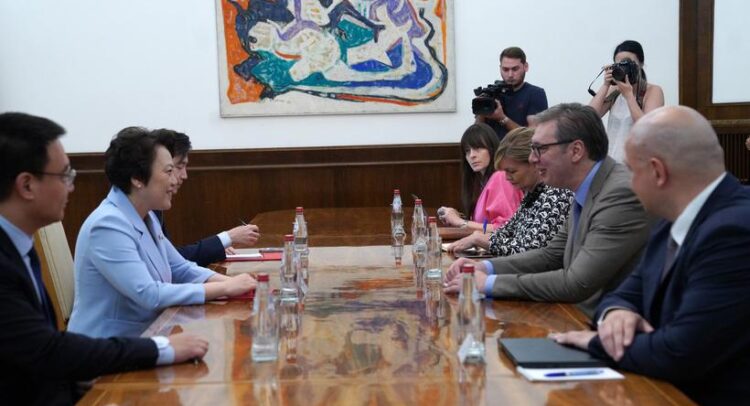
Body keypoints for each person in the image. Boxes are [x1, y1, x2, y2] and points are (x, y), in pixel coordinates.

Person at [0, 112, 209, 405]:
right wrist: (161, 348)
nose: (71, 186)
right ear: (26, 185)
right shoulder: (7, 259)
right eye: (64, 176)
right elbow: (46, 350)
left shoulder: (19, 245)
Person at [551, 106, 750, 405]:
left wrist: (596, 341)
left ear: (658, 172)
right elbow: (625, 293)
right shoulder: (672, 218)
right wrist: (616, 313)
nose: (628, 182)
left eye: (631, 171)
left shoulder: (734, 231)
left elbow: (681, 352)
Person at [444, 103, 650, 318]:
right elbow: (551, 255)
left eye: (539, 149)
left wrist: (487, 283)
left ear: (576, 151)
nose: (532, 158)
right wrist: (485, 267)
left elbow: (576, 283)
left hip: (603, 322)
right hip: (575, 315)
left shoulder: (619, 194)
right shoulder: (585, 186)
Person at [67, 127, 256, 338]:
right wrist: (225, 288)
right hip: (106, 346)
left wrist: (237, 284)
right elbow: (149, 294)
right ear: (137, 178)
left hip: (149, 335)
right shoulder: (107, 225)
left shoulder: (145, 215)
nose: (175, 180)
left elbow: (180, 268)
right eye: (168, 171)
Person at [447, 127, 573, 256]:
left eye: (512, 171)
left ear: (534, 163)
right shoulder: (533, 193)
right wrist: (477, 237)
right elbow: (507, 231)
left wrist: (479, 239)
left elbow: (531, 250)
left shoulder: (557, 194)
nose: (506, 177)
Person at [152, 129, 260, 267]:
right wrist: (227, 237)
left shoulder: (154, 207)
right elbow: (170, 262)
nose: (184, 176)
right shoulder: (140, 212)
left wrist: (217, 248)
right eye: (178, 167)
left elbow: (173, 260)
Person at [439, 123, 523, 233]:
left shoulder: (501, 177)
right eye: (467, 151)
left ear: (492, 149)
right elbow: (484, 224)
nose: (472, 155)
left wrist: (460, 222)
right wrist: (456, 216)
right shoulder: (481, 181)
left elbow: (506, 229)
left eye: (478, 148)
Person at [589, 40, 664, 162]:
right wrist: (605, 85)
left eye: (628, 63)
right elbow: (589, 117)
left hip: (637, 164)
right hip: (611, 162)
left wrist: (629, 95)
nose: (624, 68)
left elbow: (647, 129)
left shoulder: (653, 91)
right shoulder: (614, 90)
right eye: (619, 64)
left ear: (641, 64)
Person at [476, 46, 548, 139]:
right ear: (500, 68)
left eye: (515, 69)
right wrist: (481, 112)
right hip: (493, 148)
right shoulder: (492, 93)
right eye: (505, 69)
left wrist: (502, 118)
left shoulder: (535, 94)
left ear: (525, 67)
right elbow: (476, 136)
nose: (510, 75)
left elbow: (533, 137)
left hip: (520, 148)